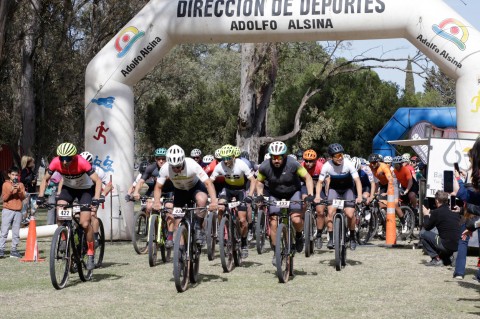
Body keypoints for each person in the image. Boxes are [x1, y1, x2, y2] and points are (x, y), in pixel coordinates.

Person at [37, 142, 103, 270]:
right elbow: (45, 179)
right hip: (69, 189)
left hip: (85, 190)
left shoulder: (82, 162)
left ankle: (90, 253)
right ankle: (63, 237)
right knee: (60, 209)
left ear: (74, 157)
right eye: (62, 158)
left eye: (68, 158)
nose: (65, 161)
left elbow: (98, 181)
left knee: (84, 223)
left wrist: (96, 198)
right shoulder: (56, 162)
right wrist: (40, 196)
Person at [256, 141, 314, 266]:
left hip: (293, 193)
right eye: (274, 157)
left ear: (285, 156)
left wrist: (309, 195)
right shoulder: (264, 166)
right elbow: (259, 181)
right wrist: (260, 194)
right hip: (275, 195)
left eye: (279, 157)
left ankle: (299, 236)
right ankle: (276, 251)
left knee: (296, 219)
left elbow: (308, 178)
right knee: (273, 222)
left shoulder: (293, 164)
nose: (276, 160)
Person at [153, 145, 218, 246]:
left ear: (183, 161)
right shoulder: (165, 168)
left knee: (202, 199)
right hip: (180, 190)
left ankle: (198, 227)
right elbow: (158, 187)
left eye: (178, 166)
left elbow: (208, 183)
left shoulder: (192, 164)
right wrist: (156, 202)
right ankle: (180, 251)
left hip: (195, 187)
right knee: (177, 223)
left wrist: (214, 201)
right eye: (173, 167)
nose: (176, 170)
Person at [210, 144, 256, 258]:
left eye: (228, 158)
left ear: (234, 157)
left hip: (241, 190)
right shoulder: (220, 165)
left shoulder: (241, 164)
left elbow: (253, 180)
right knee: (220, 206)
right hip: (228, 189)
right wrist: (213, 198)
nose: (226, 161)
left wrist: (250, 195)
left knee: (242, 220)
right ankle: (223, 229)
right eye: (223, 158)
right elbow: (210, 181)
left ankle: (244, 242)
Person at [314, 143, 362, 250]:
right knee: (330, 212)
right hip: (334, 189)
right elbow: (320, 182)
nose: (340, 158)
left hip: (347, 189)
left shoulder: (348, 164)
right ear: (331, 157)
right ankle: (331, 238)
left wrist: (359, 196)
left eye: (341, 155)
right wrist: (317, 195)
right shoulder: (327, 165)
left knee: (350, 214)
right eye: (337, 156)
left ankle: (353, 236)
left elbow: (357, 181)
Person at [420, 190, 460, 266]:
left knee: (422, 233)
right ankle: (447, 258)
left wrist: (426, 215)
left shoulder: (436, 212)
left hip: (445, 244)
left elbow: (427, 227)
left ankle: (436, 259)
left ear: (437, 200)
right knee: (442, 235)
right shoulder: (454, 211)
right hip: (457, 245)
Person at [0, 167, 26, 258]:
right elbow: (4, 198)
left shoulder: (21, 184)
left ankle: (14, 250)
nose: (15, 176)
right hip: (7, 210)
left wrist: (19, 190)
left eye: (16, 175)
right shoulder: (5, 184)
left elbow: (23, 197)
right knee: (4, 231)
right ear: (9, 175)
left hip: (18, 211)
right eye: (13, 175)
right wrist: (11, 190)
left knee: (16, 232)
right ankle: (1, 249)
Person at [20, 155, 37, 224]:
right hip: (26, 192)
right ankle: (23, 221)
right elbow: (22, 180)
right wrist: (30, 181)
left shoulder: (31, 171)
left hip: (33, 192)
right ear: (28, 163)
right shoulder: (25, 170)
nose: (33, 163)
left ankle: (30, 218)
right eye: (32, 162)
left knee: (35, 206)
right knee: (25, 207)